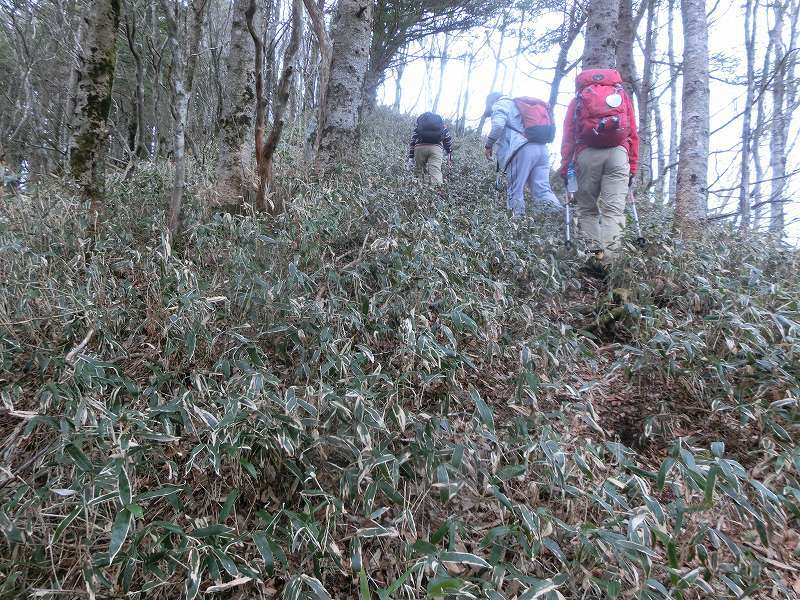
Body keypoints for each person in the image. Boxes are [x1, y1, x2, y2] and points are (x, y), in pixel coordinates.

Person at [560, 68, 639, 267]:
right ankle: (611, 264)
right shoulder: (622, 98)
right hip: (618, 155)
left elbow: (568, 137)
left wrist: (565, 170)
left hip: (586, 155)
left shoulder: (577, 100)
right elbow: (633, 133)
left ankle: (595, 259)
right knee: (613, 211)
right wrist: (632, 168)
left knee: (587, 210)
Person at [483, 92, 562, 218]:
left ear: (492, 101)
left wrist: (489, 145)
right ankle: (555, 221)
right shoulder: (517, 105)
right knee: (543, 189)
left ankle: (516, 224)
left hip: (522, 149)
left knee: (515, 189)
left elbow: (498, 125)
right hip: (542, 149)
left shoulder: (501, 104)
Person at [408, 112, 453, 185]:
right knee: (435, 171)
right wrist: (449, 152)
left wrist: (410, 157)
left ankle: (417, 189)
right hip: (436, 149)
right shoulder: (441, 126)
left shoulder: (420, 126)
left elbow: (413, 141)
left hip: (419, 148)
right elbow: (448, 140)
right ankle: (436, 191)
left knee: (418, 171)